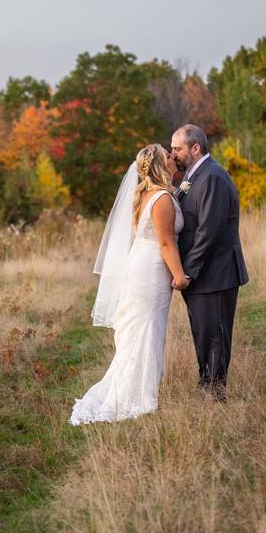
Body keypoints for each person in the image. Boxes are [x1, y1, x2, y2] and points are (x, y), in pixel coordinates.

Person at [69, 143, 186, 425]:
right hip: (151, 271)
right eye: (167, 156)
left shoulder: (145, 196)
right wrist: (180, 276)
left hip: (143, 267)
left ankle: (139, 392)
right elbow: (167, 243)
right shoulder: (161, 199)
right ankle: (134, 398)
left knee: (142, 332)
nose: (173, 158)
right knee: (144, 332)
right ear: (160, 165)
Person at [170, 124, 250, 402]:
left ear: (195, 148)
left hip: (215, 273)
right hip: (203, 276)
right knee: (204, 333)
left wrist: (187, 273)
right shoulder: (193, 176)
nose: (173, 154)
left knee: (214, 336)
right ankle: (206, 388)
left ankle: (215, 397)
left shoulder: (212, 177)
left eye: (177, 148)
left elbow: (209, 231)